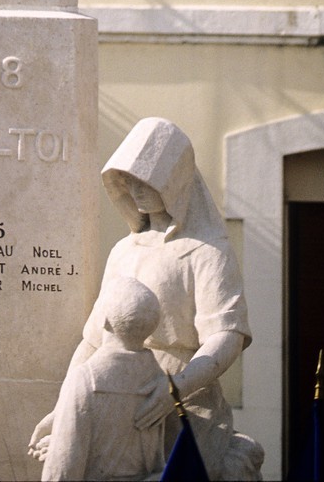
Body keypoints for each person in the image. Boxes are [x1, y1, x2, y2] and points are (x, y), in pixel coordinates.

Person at [29, 118, 263, 482]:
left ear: (174, 180)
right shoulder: (123, 251)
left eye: (146, 179)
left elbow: (226, 336)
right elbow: (92, 341)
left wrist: (175, 389)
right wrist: (64, 410)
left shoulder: (207, 251)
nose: (135, 189)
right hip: (118, 393)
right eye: (128, 180)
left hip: (186, 398)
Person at [42, 276, 167, 482]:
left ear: (104, 319)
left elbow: (62, 470)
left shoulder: (85, 379)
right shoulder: (158, 379)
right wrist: (58, 443)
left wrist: (60, 450)